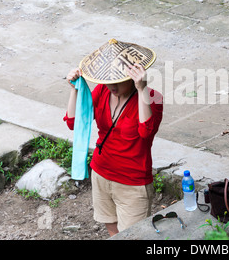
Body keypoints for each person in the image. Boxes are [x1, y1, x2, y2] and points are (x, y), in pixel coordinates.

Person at [63, 39, 163, 237]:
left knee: (133, 235)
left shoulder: (153, 97)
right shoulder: (102, 90)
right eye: (108, 81)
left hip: (132, 182)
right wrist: (75, 89)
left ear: (132, 76)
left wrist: (142, 89)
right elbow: (74, 123)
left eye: (118, 81)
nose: (112, 87)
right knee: (111, 228)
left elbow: (146, 132)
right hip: (101, 173)